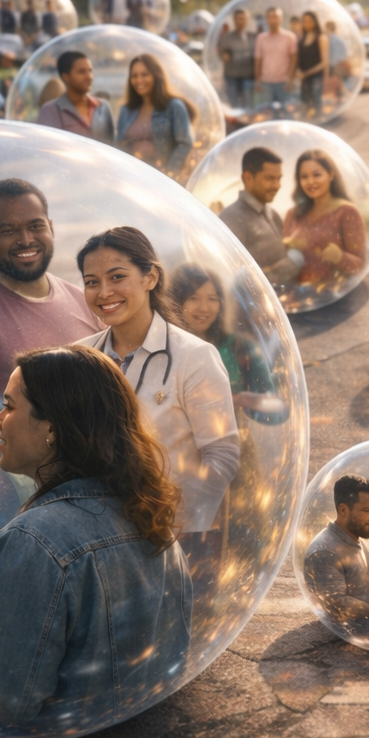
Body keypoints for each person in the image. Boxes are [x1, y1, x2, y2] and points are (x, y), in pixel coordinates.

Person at [0, 344, 191, 725]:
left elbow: (6, 702)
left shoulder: (34, 541)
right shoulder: (150, 519)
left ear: (52, 429)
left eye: (9, 406)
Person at [75, 227, 239, 593]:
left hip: (178, 535)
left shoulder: (194, 357)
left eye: (118, 277)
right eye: (91, 282)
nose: (104, 293)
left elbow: (223, 453)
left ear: (150, 276)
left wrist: (176, 519)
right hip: (97, 533)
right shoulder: (79, 358)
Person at [0, 179, 98, 406]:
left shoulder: (83, 301)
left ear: (50, 228)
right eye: (8, 230)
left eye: (35, 226)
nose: (25, 240)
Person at [168, 263, 288, 425]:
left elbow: (278, 413)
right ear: (176, 302)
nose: (204, 308)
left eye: (212, 299)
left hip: (237, 447)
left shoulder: (239, 347)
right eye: (193, 298)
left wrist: (246, 401)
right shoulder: (163, 352)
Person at [303, 474, 369, 622]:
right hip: (347, 636)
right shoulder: (325, 551)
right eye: (367, 510)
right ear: (343, 510)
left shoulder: (355, 538)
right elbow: (336, 603)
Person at [283, 148, 366, 292]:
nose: (310, 182)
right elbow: (283, 257)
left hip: (332, 297)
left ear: (331, 175)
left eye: (317, 175)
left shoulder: (347, 212)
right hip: (295, 296)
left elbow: (360, 265)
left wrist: (340, 257)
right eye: (304, 176)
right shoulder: (293, 214)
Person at [219, 146, 302, 286]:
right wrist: (296, 260)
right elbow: (234, 279)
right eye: (269, 178)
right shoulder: (231, 219)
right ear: (248, 177)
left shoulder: (273, 215)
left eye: (279, 179)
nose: (277, 186)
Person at [116, 54, 195, 178]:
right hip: (134, 177)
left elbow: (185, 143)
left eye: (145, 74)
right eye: (134, 76)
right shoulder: (126, 110)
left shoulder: (173, 106)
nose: (139, 80)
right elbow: (120, 145)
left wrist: (169, 175)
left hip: (162, 178)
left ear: (156, 75)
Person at [36, 51, 114, 143]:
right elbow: (45, 146)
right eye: (82, 72)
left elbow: (111, 144)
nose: (89, 77)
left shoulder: (103, 106)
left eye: (90, 71)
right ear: (65, 77)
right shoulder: (50, 110)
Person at [255, 7, 298, 107]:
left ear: (281, 19)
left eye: (276, 17)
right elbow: (257, 60)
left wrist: (290, 80)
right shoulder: (261, 38)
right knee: (266, 113)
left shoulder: (290, 37)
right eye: (271, 17)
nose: (273, 20)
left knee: (286, 112)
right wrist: (257, 81)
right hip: (266, 82)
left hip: (283, 82)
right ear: (266, 19)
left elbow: (294, 60)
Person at [218, 8, 257, 106]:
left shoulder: (252, 37)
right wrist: (224, 55)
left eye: (243, 18)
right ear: (234, 20)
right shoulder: (228, 37)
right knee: (233, 103)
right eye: (238, 19)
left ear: (247, 20)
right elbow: (222, 52)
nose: (240, 21)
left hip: (248, 75)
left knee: (247, 103)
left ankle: (246, 121)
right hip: (232, 76)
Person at [294, 11, 329, 117]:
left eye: (310, 21)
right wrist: (298, 71)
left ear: (315, 22)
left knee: (316, 104)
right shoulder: (301, 38)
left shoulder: (321, 38)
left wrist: (307, 73)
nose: (307, 23)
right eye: (304, 21)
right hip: (304, 78)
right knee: (304, 103)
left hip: (316, 77)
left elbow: (324, 63)